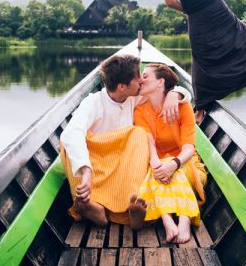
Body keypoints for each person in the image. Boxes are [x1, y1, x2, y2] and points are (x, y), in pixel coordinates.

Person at [59, 54, 190, 230]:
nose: (142, 81)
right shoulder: (93, 102)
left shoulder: (135, 96)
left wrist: (175, 93)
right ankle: (95, 207)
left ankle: (128, 208)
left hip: (122, 166)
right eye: (138, 78)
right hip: (96, 164)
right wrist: (86, 170)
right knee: (68, 144)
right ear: (122, 87)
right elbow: (71, 133)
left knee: (138, 134)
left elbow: (173, 92)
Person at [134, 63, 207, 243]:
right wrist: (157, 164)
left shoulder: (183, 107)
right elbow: (149, 142)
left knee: (176, 174)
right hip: (156, 164)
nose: (141, 79)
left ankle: (184, 219)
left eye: (145, 76)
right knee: (154, 173)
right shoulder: (140, 110)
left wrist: (173, 164)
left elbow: (189, 149)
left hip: (186, 163)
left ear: (160, 82)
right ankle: (167, 220)